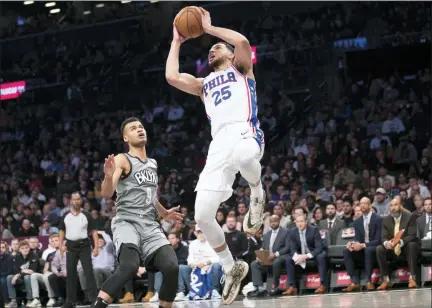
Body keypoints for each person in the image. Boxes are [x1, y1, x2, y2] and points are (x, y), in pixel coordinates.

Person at [166, 7, 265, 304]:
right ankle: (230, 266)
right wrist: (176, 41)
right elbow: (172, 76)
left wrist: (209, 29)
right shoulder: (202, 85)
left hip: (244, 131)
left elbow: (244, 42)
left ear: (231, 55)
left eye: (218, 48)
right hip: (218, 144)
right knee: (202, 214)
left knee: (245, 156)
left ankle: (257, 193)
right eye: (209, 49)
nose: (212, 51)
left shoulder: (242, 69)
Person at [93, 118, 183, 308]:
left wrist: (164, 212)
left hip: (150, 225)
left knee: (172, 267)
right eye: (133, 129)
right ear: (126, 137)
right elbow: (107, 193)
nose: (139, 130)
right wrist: (108, 177)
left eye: (141, 127)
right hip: (127, 222)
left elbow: (149, 195)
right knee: (129, 267)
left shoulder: (152, 163)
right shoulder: (122, 159)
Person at [59, 192, 99, 308]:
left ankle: (93, 299)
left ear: (80, 201)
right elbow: (61, 231)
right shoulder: (65, 215)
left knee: (88, 272)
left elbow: (94, 231)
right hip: (70, 246)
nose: (76, 201)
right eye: (74, 199)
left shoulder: (86, 214)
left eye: (78, 199)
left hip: (84, 245)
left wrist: (96, 247)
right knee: (70, 274)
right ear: (71, 201)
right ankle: (70, 301)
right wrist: (61, 245)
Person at [375, 196, 420, 290]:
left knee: (412, 245)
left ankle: (412, 278)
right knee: (379, 248)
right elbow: (383, 237)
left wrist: (400, 241)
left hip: (405, 247)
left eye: (396, 205)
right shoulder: (385, 219)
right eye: (391, 206)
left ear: (401, 206)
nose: (393, 207)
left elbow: (412, 235)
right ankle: (386, 280)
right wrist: (387, 243)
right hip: (392, 248)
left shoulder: (409, 216)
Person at [342, 197, 382, 292]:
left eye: (365, 203)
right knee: (346, 251)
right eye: (361, 204)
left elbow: (379, 240)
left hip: (375, 248)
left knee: (367, 249)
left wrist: (363, 245)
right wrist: (352, 244)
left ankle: (368, 281)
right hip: (362, 249)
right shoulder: (357, 222)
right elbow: (357, 240)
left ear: (370, 205)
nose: (362, 205)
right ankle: (354, 282)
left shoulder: (378, 219)